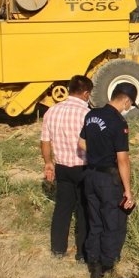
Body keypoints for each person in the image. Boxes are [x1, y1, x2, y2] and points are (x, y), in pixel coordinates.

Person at [79, 82, 137, 278]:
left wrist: (96, 153)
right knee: (113, 223)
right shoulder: (118, 122)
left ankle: (93, 265)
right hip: (108, 179)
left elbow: (81, 142)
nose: (129, 107)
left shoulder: (91, 115)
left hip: (90, 175)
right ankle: (107, 268)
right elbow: (123, 159)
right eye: (130, 104)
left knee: (95, 222)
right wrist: (128, 190)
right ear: (126, 101)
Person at [40, 75, 93, 261]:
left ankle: (57, 249)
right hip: (83, 167)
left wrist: (48, 162)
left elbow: (45, 141)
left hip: (62, 167)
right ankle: (82, 253)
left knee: (62, 208)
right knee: (84, 211)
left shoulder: (52, 111)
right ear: (86, 93)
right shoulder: (87, 114)